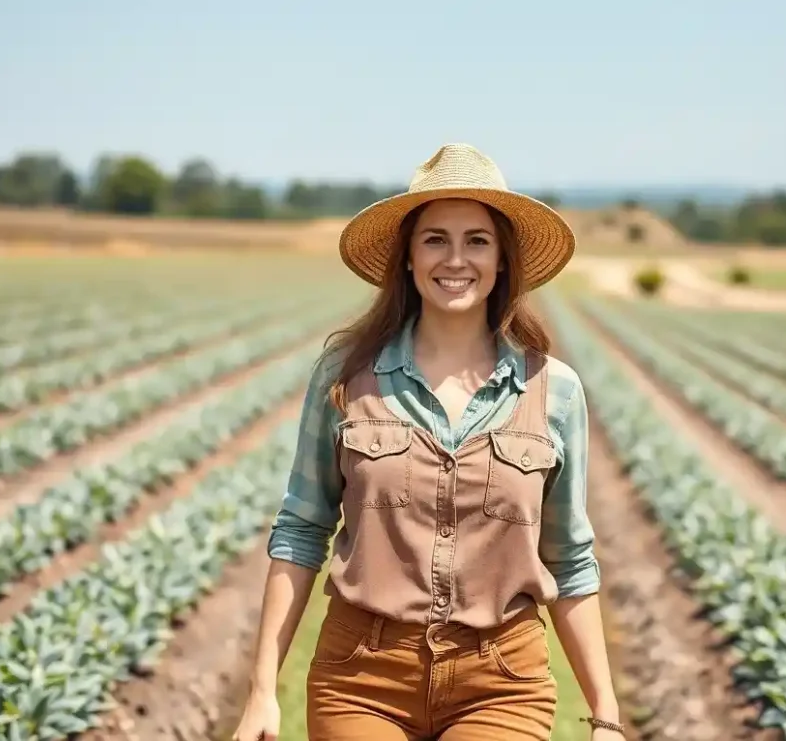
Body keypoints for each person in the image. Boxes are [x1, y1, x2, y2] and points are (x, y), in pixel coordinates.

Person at [232, 143, 623, 741]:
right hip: (360, 678)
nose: (456, 259)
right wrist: (263, 691)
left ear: (502, 262)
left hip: (502, 680)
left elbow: (568, 557)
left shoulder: (555, 391)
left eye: (478, 240)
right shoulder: (345, 374)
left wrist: (606, 719)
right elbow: (302, 528)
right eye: (435, 239)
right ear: (409, 259)